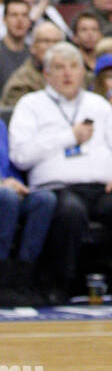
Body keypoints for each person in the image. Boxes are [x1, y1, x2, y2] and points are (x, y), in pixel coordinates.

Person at [8, 43, 112, 302]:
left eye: (74, 66)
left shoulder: (97, 104)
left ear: (83, 73)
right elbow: (20, 155)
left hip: (102, 189)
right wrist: (69, 136)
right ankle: (58, 284)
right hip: (56, 189)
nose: (67, 74)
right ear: (46, 74)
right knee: (69, 213)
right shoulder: (30, 105)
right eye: (59, 67)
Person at [0, 114, 55, 306]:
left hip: (12, 189)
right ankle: (3, 282)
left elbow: (13, 163)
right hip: (5, 193)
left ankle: (23, 280)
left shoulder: (1, 125)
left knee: (44, 199)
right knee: (7, 198)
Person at [1, 19, 64, 109]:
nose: (51, 46)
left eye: (56, 42)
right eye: (46, 41)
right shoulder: (21, 84)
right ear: (33, 47)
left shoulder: (74, 76)